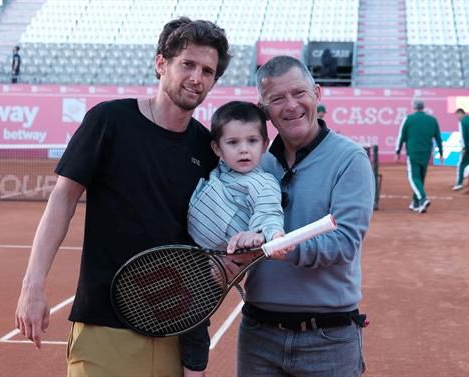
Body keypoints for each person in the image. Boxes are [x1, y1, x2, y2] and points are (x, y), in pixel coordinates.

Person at [13, 17, 231, 377]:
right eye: (187, 64)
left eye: (207, 71)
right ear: (161, 63)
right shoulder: (109, 121)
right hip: (103, 327)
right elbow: (62, 200)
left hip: (173, 331)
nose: (197, 77)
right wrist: (32, 286)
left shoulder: (206, 150)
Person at [235, 55, 375, 377]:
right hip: (258, 335)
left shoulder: (350, 159)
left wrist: (285, 247)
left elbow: (344, 242)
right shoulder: (253, 165)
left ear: (317, 93)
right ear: (263, 108)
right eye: (277, 99)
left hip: (329, 339)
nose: (291, 105)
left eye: (299, 93)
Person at [186, 100, 285, 374]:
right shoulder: (219, 171)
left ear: (264, 145)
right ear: (217, 149)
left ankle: (194, 372)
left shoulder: (263, 182)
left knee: (191, 324)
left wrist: (264, 234)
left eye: (252, 141)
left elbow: (269, 213)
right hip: (191, 256)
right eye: (233, 142)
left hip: (215, 266)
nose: (244, 149)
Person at [395, 99, 443, 213]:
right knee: (420, 177)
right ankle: (415, 203)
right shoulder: (432, 120)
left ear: (413, 107)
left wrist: (397, 151)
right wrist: (441, 152)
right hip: (426, 153)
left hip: (413, 152)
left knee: (413, 177)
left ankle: (422, 198)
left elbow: (401, 136)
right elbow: (438, 138)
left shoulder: (409, 119)